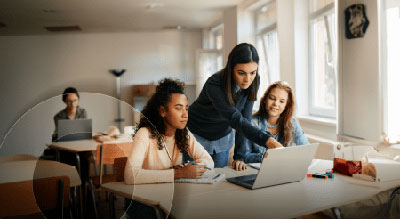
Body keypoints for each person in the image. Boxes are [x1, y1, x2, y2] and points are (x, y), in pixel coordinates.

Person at [124, 78, 214, 218]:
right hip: (142, 200)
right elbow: (130, 176)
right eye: (178, 108)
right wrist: (179, 173)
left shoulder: (183, 133)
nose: (185, 114)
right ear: (162, 111)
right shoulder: (145, 134)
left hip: (169, 195)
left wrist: (191, 168)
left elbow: (209, 161)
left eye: (186, 108)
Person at [188, 43, 281, 168]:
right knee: (196, 182)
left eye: (252, 72)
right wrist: (267, 140)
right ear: (231, 69)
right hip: (196, 134)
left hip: (222, 135)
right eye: (241, 73)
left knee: (218, 180)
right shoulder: (214, 84)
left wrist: (239, 156)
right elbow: (234, 118)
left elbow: (245, 117)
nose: (248, 79)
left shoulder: (254, 81)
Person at [233, 81, 309, 170]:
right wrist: (265, 156)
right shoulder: (250, 123)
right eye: (272, 98)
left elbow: (306, 149)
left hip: (284, 171)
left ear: (286, 105)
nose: (275, 104)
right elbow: (244, 156)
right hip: (257, 172)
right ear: (265, 99)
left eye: (281, 101)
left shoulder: (292, 123)